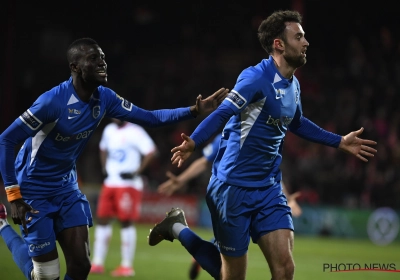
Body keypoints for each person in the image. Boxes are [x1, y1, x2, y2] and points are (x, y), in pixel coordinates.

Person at [148, 10, 377, 280]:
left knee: (285, 270)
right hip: (232, 189)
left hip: (268, 188)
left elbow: (297, 123)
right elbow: (223, 112)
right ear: (279, 44)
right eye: (299, 37)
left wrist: (339, 141)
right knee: (232, 277)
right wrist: (194, 142)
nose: (306, 43)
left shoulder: (293, 84)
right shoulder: (254, 78)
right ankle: (176, 227)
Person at [0, 37, 228, 280]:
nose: (102, 63)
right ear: (75, 67)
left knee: (81, 267)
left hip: (66, 187)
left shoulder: (105, 98)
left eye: (103, 58)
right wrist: (14, 196)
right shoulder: (52, 102)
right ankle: (2, 225)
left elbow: (150, 118)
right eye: (93, 58)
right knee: (45, 276)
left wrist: (193, 111)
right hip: (34, 189)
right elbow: (7, 139)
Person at [157, 133, 302, 279]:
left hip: (265, 199)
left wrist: (287, 197)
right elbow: (204, 161)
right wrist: (181, 180)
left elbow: (269, 169)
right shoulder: (230, 134)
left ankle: (207, 247)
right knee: (231, 274)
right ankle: (179, 229)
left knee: (284, 270)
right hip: (232, 200)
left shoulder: (271, 131)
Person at [90, 118, 157, 276]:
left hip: (128, 184)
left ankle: (127, 266)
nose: (115, 117)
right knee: (102, 219)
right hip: (110, 182)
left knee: (125, 222)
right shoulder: (109, 130)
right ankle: (97, 263)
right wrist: (104, 167)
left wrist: (136, 172)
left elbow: (151, 151)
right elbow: (103, 148)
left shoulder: (136, 131)